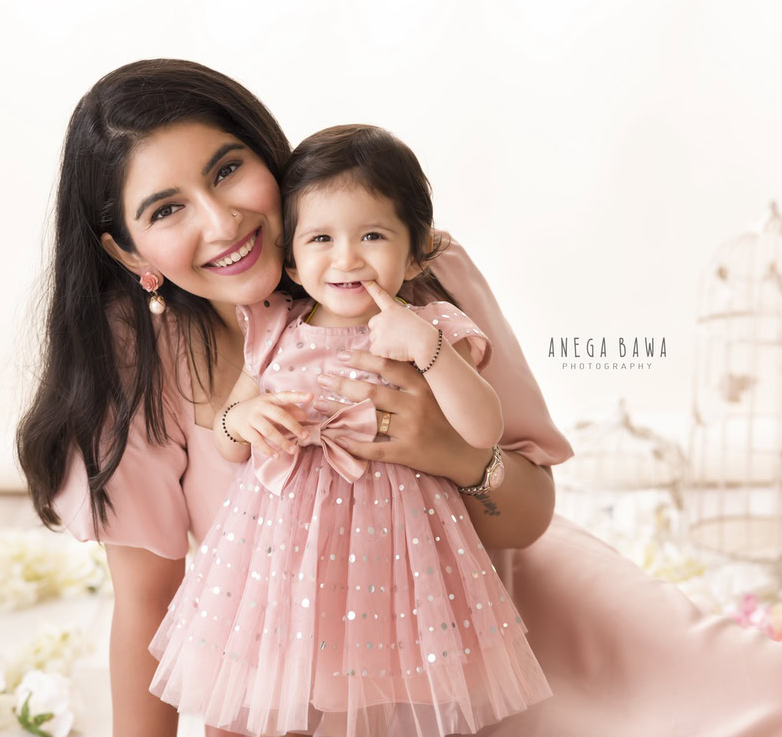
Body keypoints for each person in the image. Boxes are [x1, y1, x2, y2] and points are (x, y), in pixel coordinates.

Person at [17, 58, 782, 737]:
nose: (224, 220)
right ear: (125, 251)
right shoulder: (129, 367)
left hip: (506, 611)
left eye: (229, 169)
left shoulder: (406, 272)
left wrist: (446, 449)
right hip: (336, 684)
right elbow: (148, 606)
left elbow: (527, 511)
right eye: (166, 209)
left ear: (271, 156)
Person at [147, 124, 551, 736]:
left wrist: (433, 351)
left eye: (372, 235)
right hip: (279, 555)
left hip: (395, 554)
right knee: (258, 699)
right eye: (321, 238)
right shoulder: (275, 326)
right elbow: (228, 436)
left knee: (384, 704)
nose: (347, 257)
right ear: (290, 256)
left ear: (415, 253)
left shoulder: (429, 325)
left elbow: (481, 428)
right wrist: (245, 418)